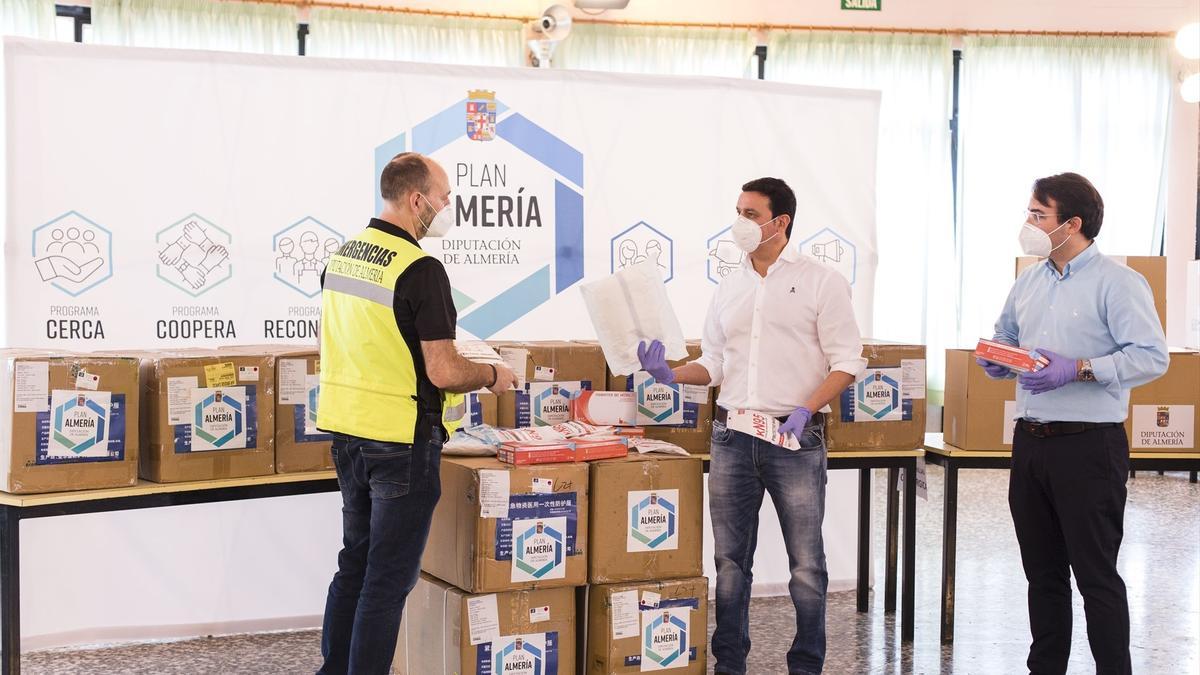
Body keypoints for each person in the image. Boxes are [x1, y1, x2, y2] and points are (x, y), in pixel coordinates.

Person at [639, 177, 866, 675]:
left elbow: (848, 360)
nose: (740, 223)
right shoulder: (731, 284)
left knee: (806, 565)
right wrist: (671, 375)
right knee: (729, 563)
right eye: (738, 212)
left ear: (780, 222)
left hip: (793, 437)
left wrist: (807, 409)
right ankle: (729, 664)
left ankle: (806, 664)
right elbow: (715, 362)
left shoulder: (821, 281)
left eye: (751, 214)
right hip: (732, 438)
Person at [315, 152, 517, 675]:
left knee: (354, 567)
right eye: (445, 197)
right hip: (400, 445)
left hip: (349, 437)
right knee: (386, 583)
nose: (448, 206)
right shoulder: (420, 268)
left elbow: (377, 343)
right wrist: (492, 375)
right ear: (416, 199)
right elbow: (445, 370)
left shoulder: (343, 255)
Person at [979, 172, 1167, 675]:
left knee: (1095, 576)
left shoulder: (1119, 283)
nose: (1029, 224)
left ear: (1073, 224)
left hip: (1089, 448)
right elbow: (1006, 333)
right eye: (1030, 213)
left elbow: (1151, 358)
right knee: (1041, 575)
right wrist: (999, 356)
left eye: (1039, 215)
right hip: (1032, 442)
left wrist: (1081, 368)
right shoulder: (1029, 279)